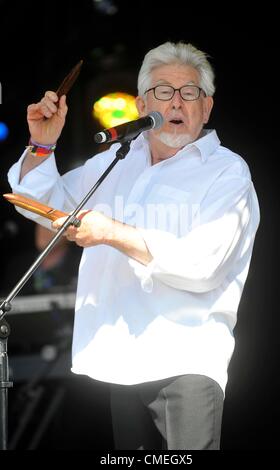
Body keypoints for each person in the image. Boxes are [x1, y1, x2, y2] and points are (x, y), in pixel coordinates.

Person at [7, 41, 260, 450]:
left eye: (189, 92)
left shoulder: (227, 172)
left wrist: (111, 233)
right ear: (142, 104)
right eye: (163, 91)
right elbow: (46, 206)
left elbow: (203, 264)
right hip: (120, 360)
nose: (176, 102)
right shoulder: (118, 159)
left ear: (207, 107)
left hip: (186, 361)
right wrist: (42, 145)